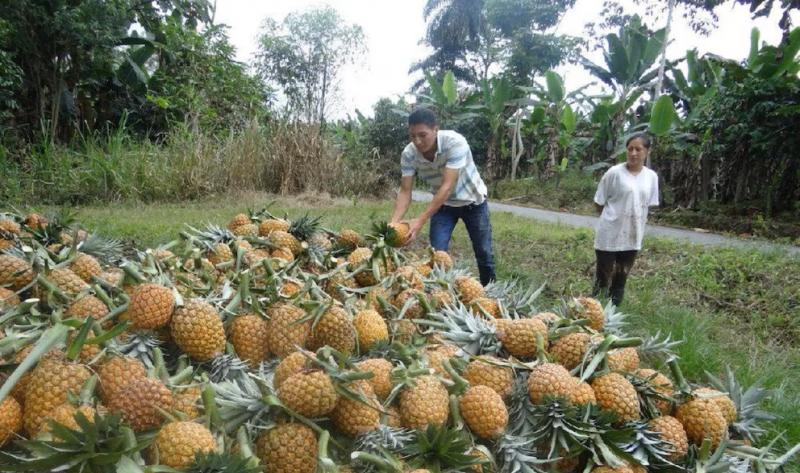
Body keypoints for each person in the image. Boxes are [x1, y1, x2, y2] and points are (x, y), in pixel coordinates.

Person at [390, 108, 496, 285]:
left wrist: (420, 220)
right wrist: (394, 222)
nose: (417, 141)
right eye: (412, 136)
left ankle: (491, 296)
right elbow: (405, 191)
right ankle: (440, 293)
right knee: (437, 254)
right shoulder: (409, 154)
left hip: (473, 202)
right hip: (443, 207)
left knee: (484, 252)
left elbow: (447, 186)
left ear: (435, 129)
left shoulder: (455, 143)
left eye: (423, 135)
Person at [592, 132, 659, 306]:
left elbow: (647, 205)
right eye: (630, 149)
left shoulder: (651, 177)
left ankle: (613, 313)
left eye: (638, 149)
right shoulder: (614, 173)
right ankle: (592, 316)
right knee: (602, 278)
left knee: (621, 278)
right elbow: (599, 201)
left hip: (633, 235)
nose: (633, 153)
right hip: (609, 234)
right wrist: (612, 219)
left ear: (647, 151)